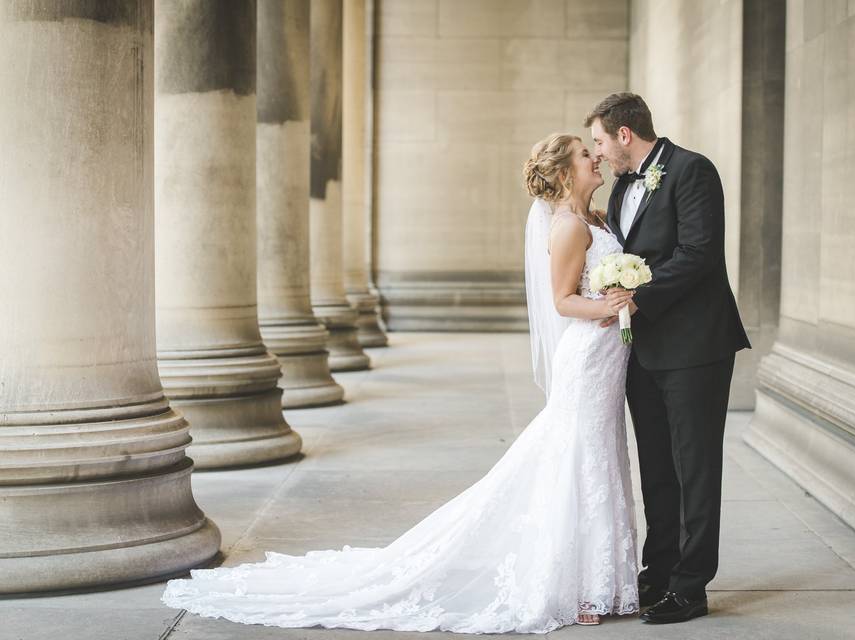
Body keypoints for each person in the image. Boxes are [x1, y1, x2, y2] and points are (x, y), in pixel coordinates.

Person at [162, 132, 640, 633]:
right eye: (587, 155)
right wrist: (609, 304)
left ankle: (602, 579)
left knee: (602, 453)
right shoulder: (567, 228)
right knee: (579, 458)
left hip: (607, 358)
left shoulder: (598, 218)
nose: (597, 159)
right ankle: (577, 583)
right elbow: (564, 300)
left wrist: (620, 294)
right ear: (565, 172)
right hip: (585, 359)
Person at [585, 92, 751, 624]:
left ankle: (691, 586)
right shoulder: (620, 190)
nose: (599, 153)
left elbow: (699, 255)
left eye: (599, 142)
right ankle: (657, 572)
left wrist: (640, 295)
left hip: (696, 346)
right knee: (657, 468)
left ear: (624, 135)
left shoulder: (692, 170)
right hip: (643, 349)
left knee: (695, 466)